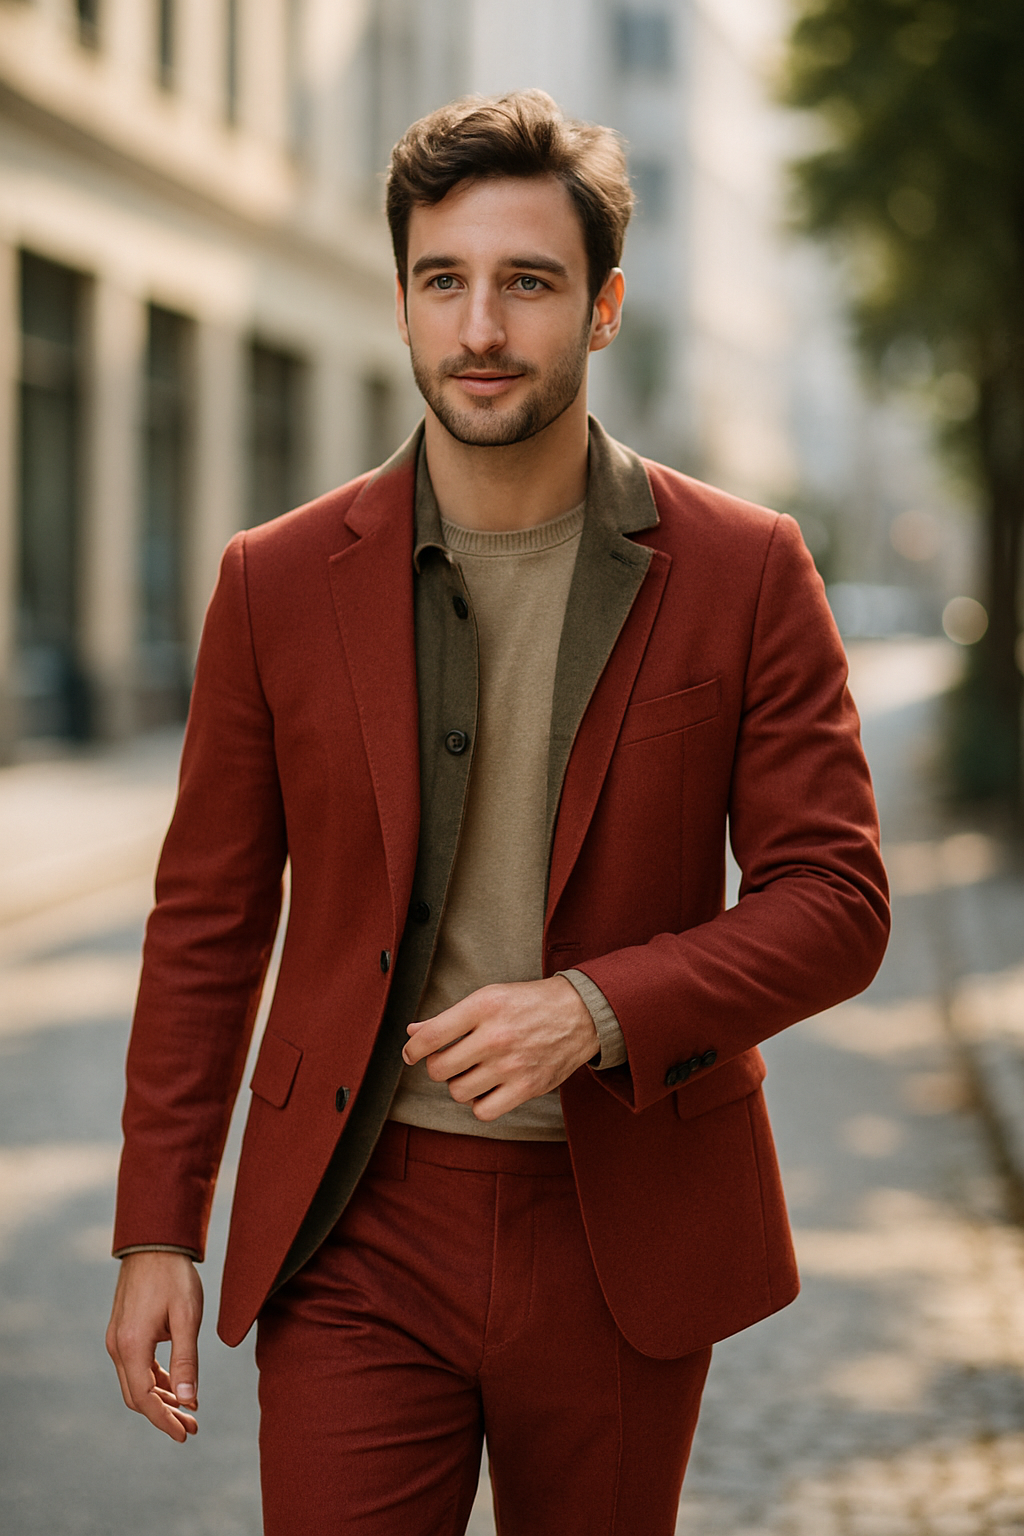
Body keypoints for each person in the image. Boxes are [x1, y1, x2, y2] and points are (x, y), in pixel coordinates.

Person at [106, 90, 889, 1535]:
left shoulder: (746, 568)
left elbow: (836, 903)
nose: (479, 328)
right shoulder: (272, 583)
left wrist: (594, 1007)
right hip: (356, 1224)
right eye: (442, 281)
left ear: (600, 310)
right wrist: (159, 1222)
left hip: (621, 1226)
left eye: (527, 282)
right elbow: (208, 918)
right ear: (401, 301)